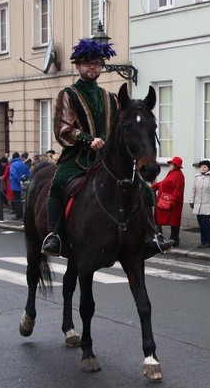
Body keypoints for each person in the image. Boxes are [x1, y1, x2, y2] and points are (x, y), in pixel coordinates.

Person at [40, 37, 171, 257]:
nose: (92, 67)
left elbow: (123, 126)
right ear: (78, 66)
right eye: (87, 63)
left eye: (97, 63)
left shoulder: (110, 98)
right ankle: (54, 235)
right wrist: (87, 139)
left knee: (144, 190)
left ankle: (151, 236)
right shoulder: (68, 94)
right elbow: (63, 128)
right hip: (77, 157)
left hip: (106, 158)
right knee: (58, 183)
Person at [151, 156, 186, 247]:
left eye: (171, 163)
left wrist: (172, 201)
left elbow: (177, 190)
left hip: (172, 203)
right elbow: (163, 183)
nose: (169, 165)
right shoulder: (172, 173)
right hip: (166, 201)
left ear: (176, 165)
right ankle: (169, 240)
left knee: (174, 222)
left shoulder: (178, 175)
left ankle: (174, 240)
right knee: (168, 221)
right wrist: (154, 186)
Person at [191, 160, 210, 248]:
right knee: (201, 224)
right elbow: (193, 190)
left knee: (205, 223)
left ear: (209, 168)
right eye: (201, 167)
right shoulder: (197, 177)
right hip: (198, 205)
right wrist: (192, 201)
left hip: (208, 204)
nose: (203, 168)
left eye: (205, 167)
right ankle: (203, 242)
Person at [8, 151, 30, 220]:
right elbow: (28, 175)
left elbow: (13, 174)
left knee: (17, 201)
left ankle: (18, 215)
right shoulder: (24, 164)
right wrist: (24, 182)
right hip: (24, 186)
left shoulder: (13, 165)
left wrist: (19, 181)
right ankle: (24, 214)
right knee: (23, 200)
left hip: (16, 186)